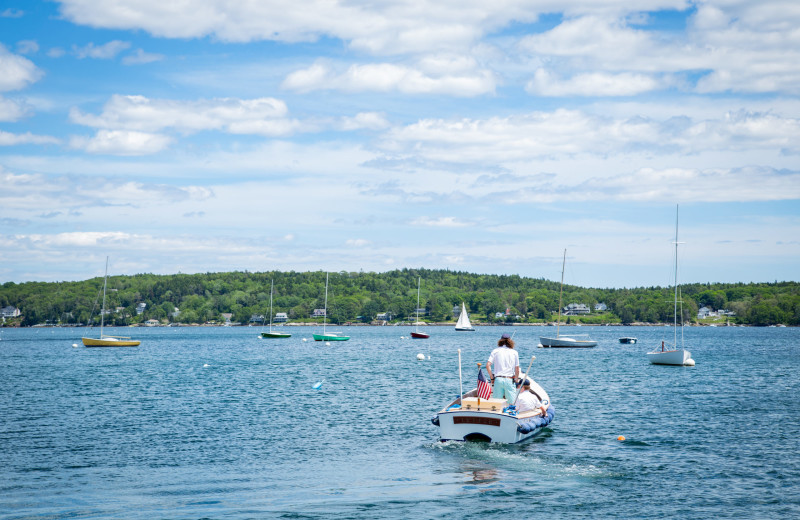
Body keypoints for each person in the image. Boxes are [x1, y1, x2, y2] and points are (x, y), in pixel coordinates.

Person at [486, 333, 520, 405]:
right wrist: (516, 380)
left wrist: (492, 378)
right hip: (509, 379)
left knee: (496, 403)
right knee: (511, 403)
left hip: (498, 379)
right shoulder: (514, 352)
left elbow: (488, 365)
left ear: (500, 341)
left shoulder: (495, 351)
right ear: (510, 341)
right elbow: (517, 368)